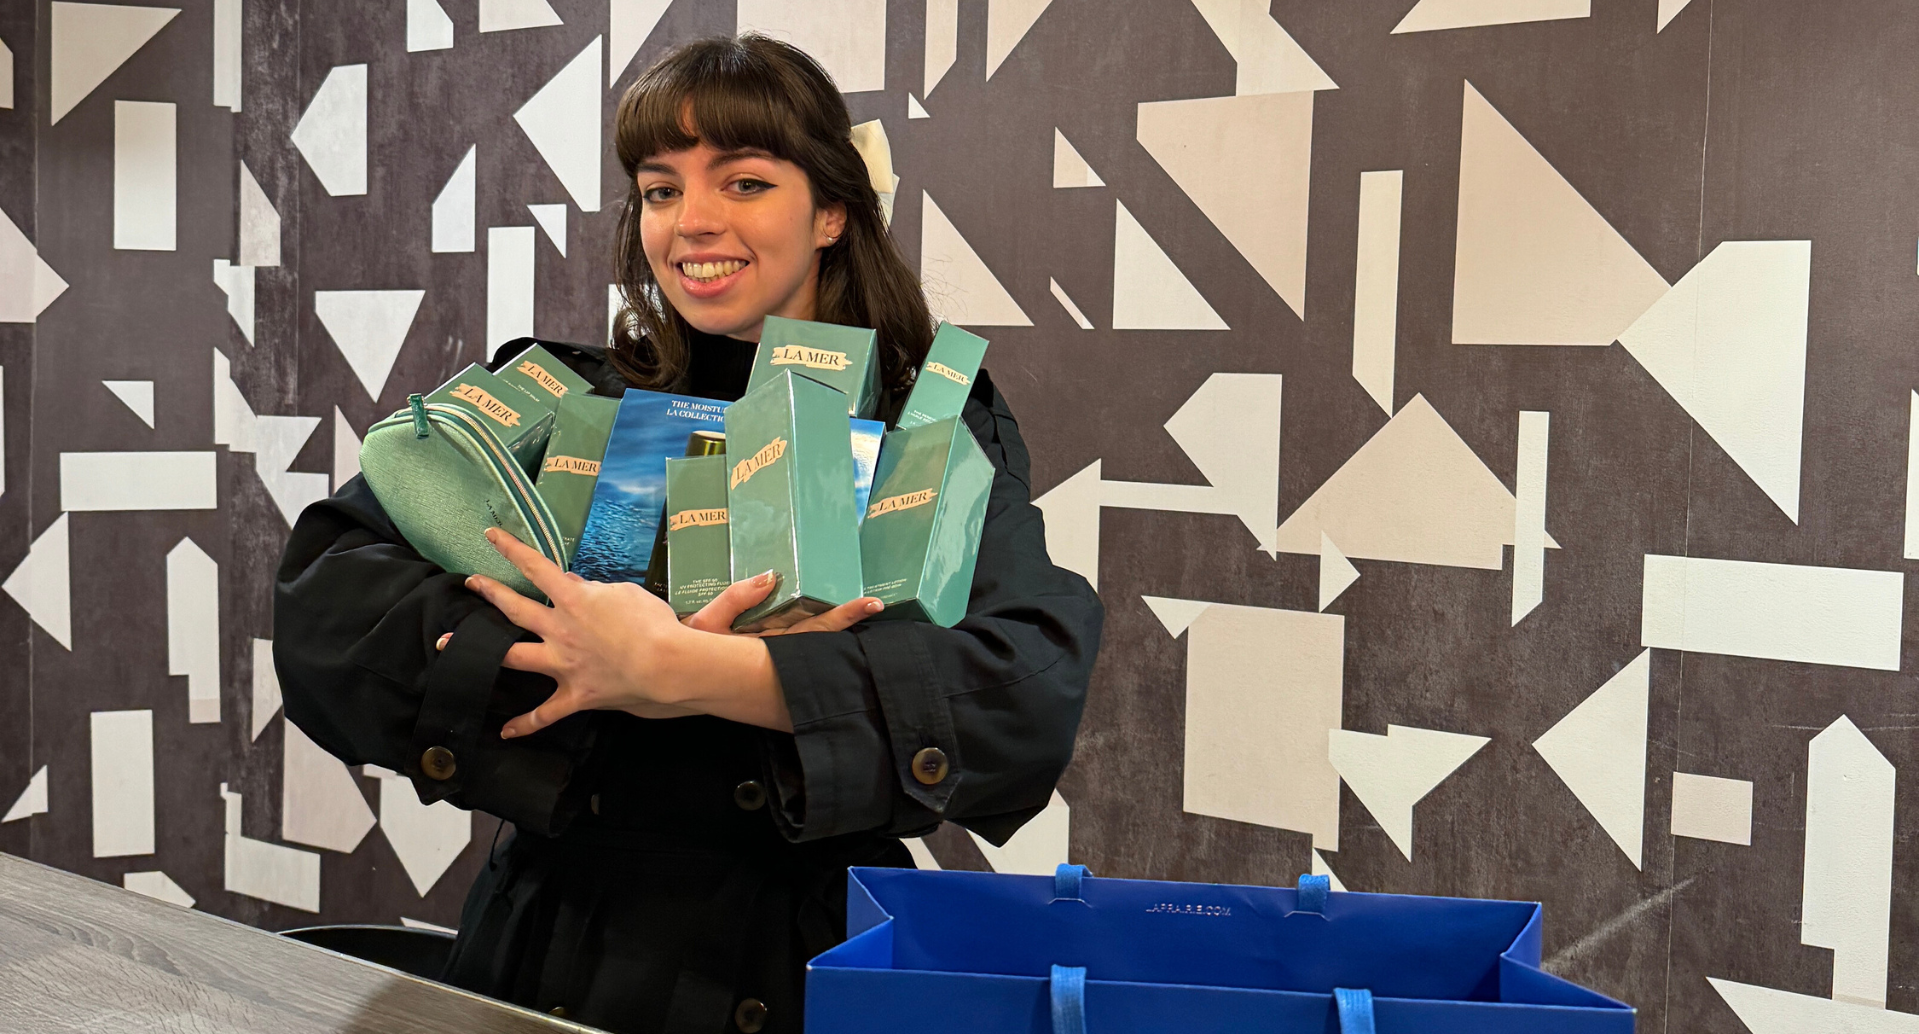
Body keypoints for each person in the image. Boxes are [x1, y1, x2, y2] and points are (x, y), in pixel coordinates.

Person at [274, 33, 1102, 1034]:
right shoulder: (562, 390)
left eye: (743, 181)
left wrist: (686, 671)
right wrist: (573, 648)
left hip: (787, 966)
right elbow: (327, 605)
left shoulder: (927, 423)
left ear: (831, 210)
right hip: (541, 949)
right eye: (660, 189)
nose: (691, 222)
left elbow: (1022, 689)